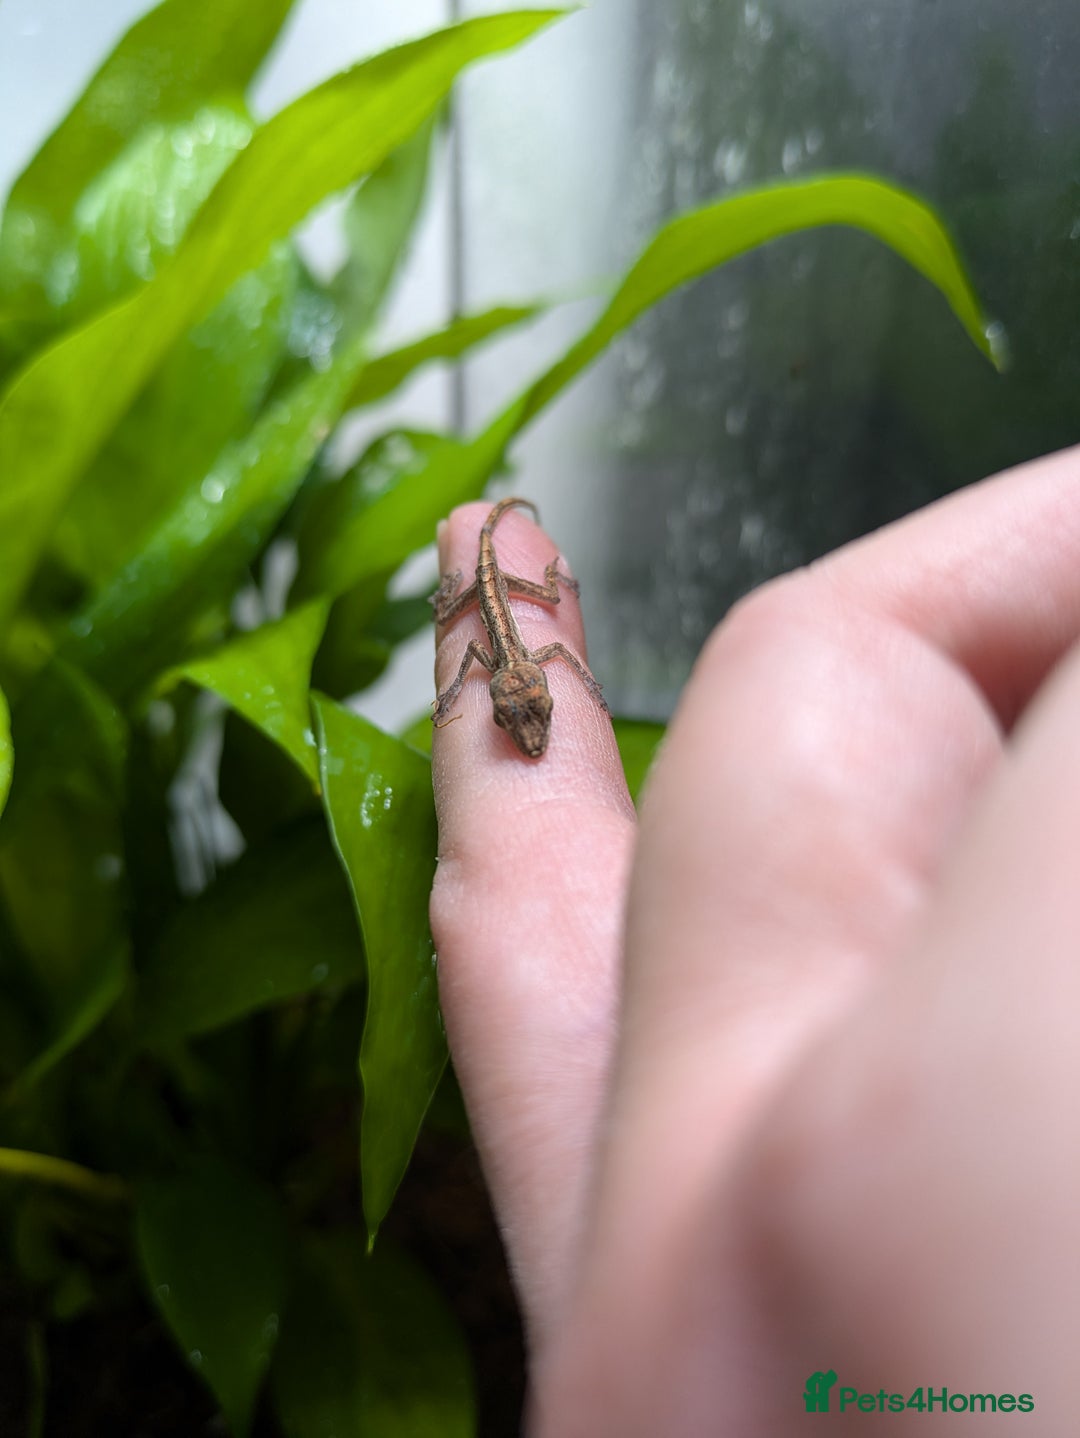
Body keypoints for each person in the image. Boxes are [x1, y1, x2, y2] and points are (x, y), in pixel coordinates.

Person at [429, 446, 1080, 1435]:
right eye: (519, 720)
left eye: (529, 717)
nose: (527, 722)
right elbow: (512, 650)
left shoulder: (532, 661)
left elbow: (542, 651)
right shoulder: (504, 654)